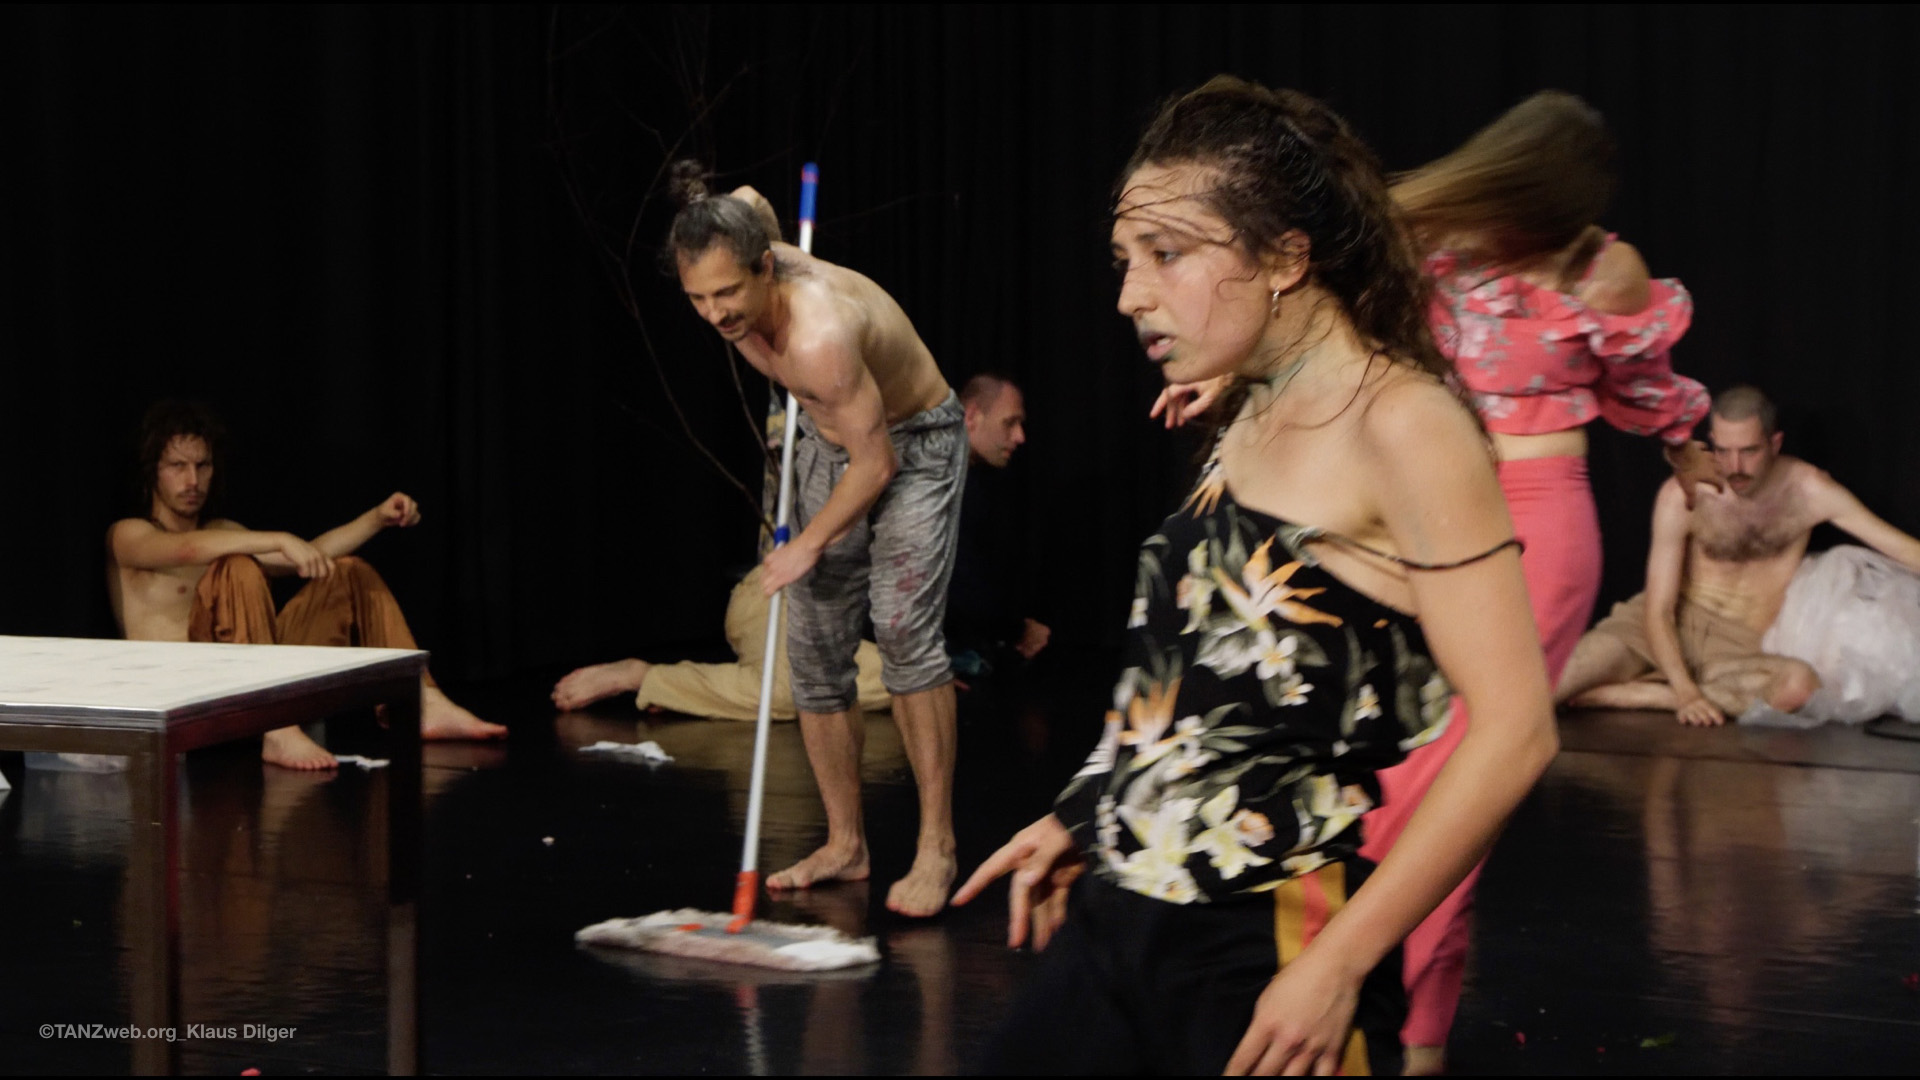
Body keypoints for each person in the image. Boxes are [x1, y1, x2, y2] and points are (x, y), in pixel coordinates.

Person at [953, 77, 1558, 1076]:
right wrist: (1087, 810)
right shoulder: (1246, 402)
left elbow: (1517, 732)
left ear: (1285, 257)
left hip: (1266, 936)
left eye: (1167, 253)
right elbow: (1192, 671)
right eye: (1126, 259)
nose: (1130, 294)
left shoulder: (1406, 427)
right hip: (1122, 917)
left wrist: (1339, 964)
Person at [1146, 90, 1717, 1070]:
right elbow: (1318, 318)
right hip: (1414, 506)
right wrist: (1231, 373)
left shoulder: (1601, 267)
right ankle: (1348, 1000)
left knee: (1454, 784)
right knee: (1385, 768)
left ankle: (1408, 1039)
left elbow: (1641, 381)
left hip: (1541, 518)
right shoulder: (1430, 232)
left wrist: (1683, 443)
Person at [665, 162, 965, 917]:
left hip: (911, 444)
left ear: (765, 268)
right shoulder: (742, 249)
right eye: (698, 299)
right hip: (832, 445)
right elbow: (748, 200)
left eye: (727, 294)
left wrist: (806, 544)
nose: (715, 314)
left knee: (902, 628)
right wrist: (721, 201)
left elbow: (878, 464)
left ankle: (936, 846)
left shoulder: (819, 337)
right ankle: (845, 843)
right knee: (813, 650)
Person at [105, 400, 506, 769]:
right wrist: (277, 539)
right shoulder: (128, 534)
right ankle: (276, 729)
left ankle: (424, 701)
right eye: (177, 466)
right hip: (184, 697)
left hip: (246, 689)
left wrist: (376, 518)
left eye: (202, 465)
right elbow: (187, 550)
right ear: (152, 470)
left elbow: (309, 555)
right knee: (237, 565)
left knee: (347, 572)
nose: (192, 480)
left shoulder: (225, 530)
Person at [1558, 386, 1920, 725]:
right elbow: (1659, 608)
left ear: (1775, 443)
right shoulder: (1683, 494)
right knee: (1553, 684)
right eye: (1723, 451)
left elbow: (1901, 547)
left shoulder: (1808, 490)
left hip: (1738, 646)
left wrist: (1679, 695)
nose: (1734, 466)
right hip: (1655, 629)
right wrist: (1685, 692)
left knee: (1798, 686)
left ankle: (1645, 695)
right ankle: (1673, 689)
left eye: (1749, 451)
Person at [549, 564, 892, 719]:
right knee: (794, 688)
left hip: (857, 633)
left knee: (906, 680)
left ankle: (686, 694)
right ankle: (646, 677)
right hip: (785, 587)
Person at [947, 373, 1049, 681]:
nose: (1020, 436)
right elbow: (961, 589)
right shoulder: (946, 483)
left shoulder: (970, 478)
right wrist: (1019, 629)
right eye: (1009, 423)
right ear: (971, 416)